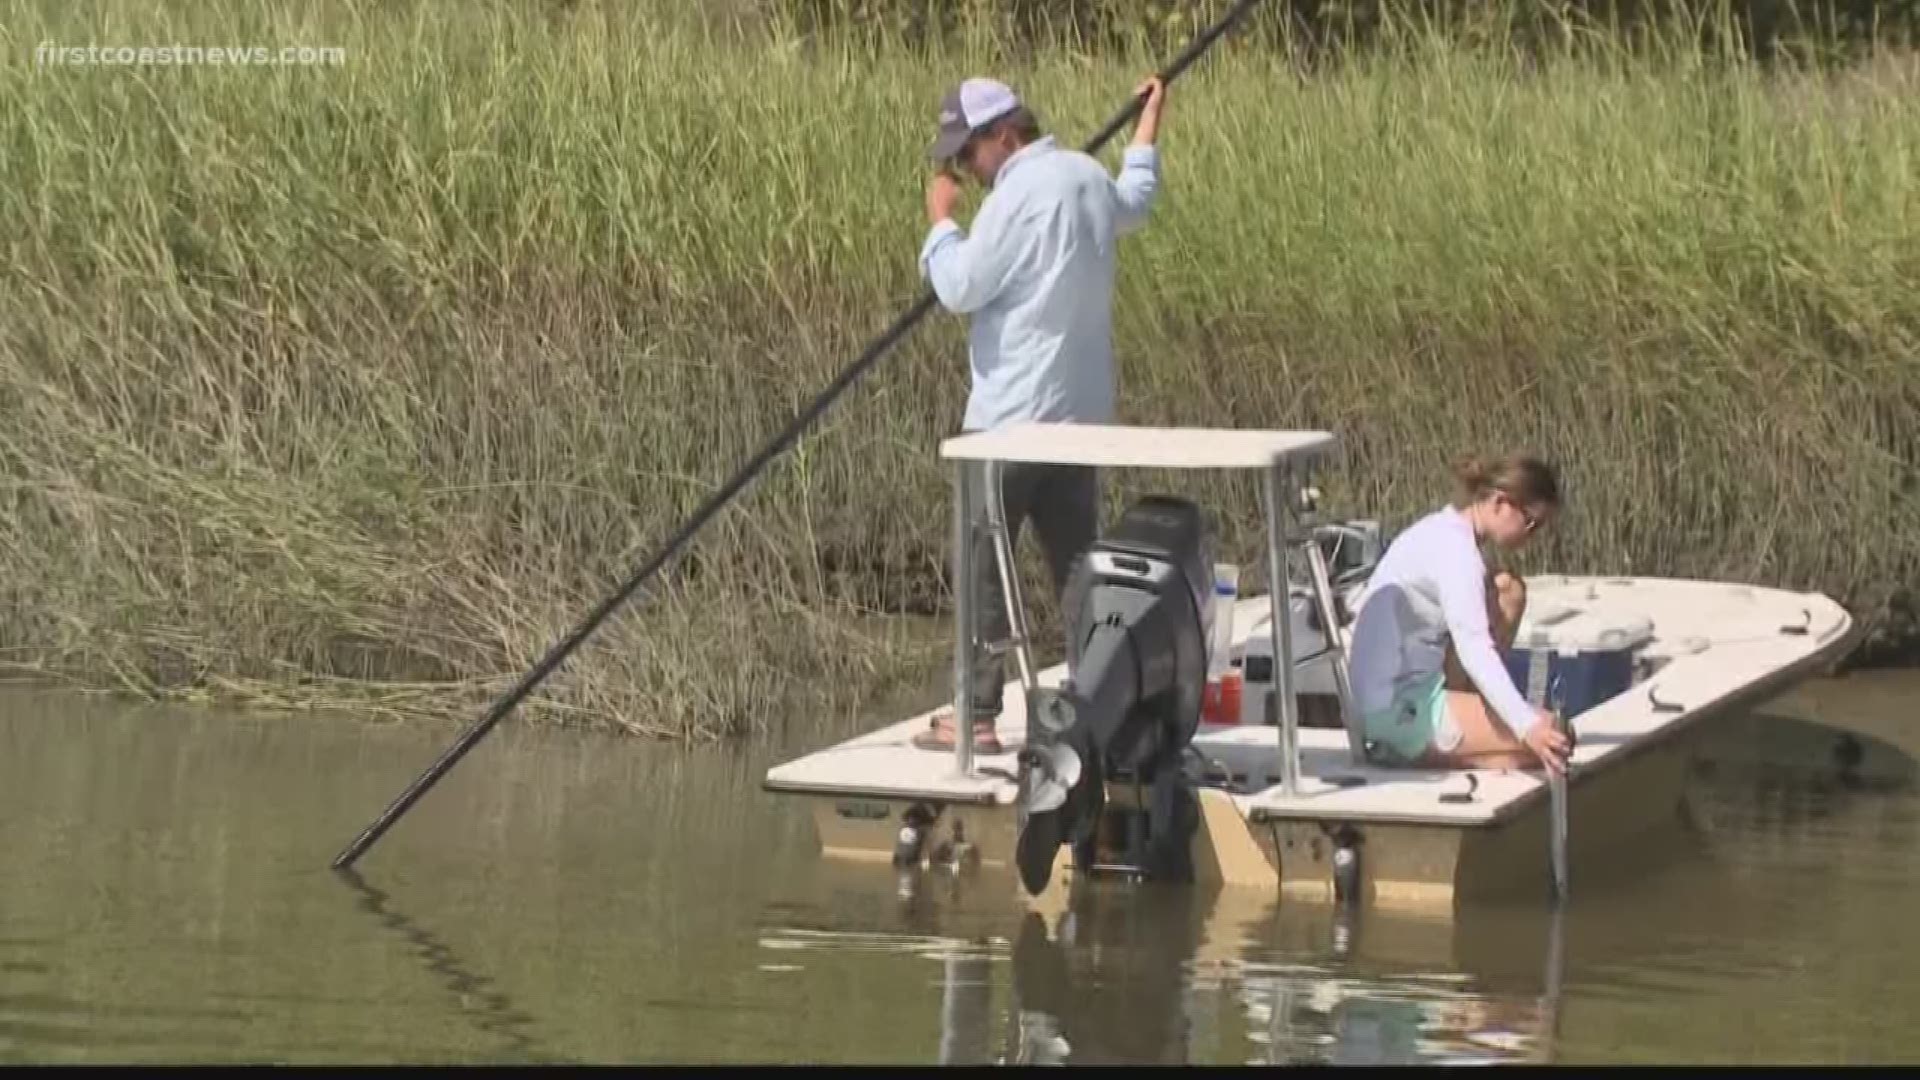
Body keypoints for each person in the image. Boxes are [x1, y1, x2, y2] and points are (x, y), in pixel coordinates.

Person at [911, 74, 1168, 753]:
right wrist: (1148, 125)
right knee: (1079, 568)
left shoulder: (1014, 196)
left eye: (968, 153)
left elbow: (962, 287)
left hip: (1008, 421)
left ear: (1003, 135)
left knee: (982, 563)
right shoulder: (1086, 176)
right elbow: (1136, 201)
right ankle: (1104, 700)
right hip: (1080, 421)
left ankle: (977, 715)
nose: (965, 168)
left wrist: (941, 222)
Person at [1345, 454, 1573, 775]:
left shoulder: (1442, 529)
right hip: (1396, 711)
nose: (1532, 536)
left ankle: (1465, 745)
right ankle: (1431, 750)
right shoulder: (1458, 555)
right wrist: (1527, 727)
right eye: (1532, 523)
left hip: (1395, 699)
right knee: (1556, 733)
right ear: (1500, 503)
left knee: (1507, 589)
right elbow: (1475, 650)